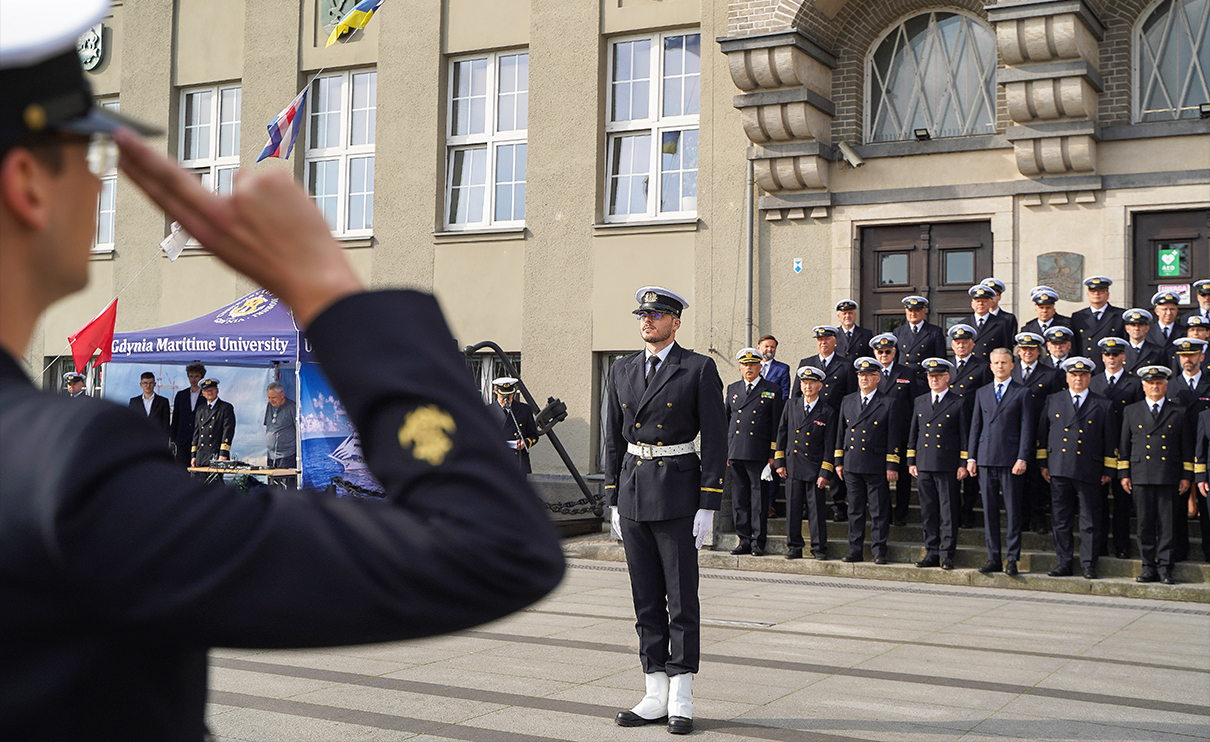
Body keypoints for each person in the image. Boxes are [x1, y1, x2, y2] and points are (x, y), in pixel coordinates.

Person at [0, 3, 564, 737]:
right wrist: (326, 291)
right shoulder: (68, 471)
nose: (102, 188)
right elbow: (496, 547)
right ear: (28, 185)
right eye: (89, 155)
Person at [604, 286, 726, 736]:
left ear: (676, 322)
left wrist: (708, 503)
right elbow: (613, 440)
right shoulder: (622, 368)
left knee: (681, 599)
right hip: (635, 491)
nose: (647, 321)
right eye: (643, 314)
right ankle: (654, 690)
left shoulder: (697, 367)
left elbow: (716, 438)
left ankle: (682, 695)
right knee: (646, 599)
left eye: (657, 315)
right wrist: (613, 498)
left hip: (677, 492)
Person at [1037, 357, 1116, 579]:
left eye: (1083, 375)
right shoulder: (1054, 400)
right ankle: (1064, 562)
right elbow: (1043, 434)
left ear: (1090, 377)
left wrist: (1109, 469)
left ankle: (1089, 564)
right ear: (1067, 377)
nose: (1078, 379)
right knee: (1061, 519)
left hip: (1089, 469)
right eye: (1074, 375)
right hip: (1059, 468)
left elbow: (1110, 439)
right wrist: (1043, 463)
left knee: (1089, 520)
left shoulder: (1103, 404)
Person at [1119, 366, 1193, 585]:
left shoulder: (1179, 411)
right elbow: (1124, 445)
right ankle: (1148, 566)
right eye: (1151, 383)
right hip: (1141, 474)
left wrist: (1186, 475)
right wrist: (1124, 473)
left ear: (1166, 386)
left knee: (1167, 525)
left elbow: (1186, 447)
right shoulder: (1131, 411)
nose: (1155, 387)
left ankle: (1165, 567)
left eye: (1159, 383)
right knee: (1144, 524)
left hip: (1168, 475)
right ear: (1143, 386)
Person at [967, 348, 1034, 576]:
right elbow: (976, 426)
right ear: (990, 366)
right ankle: (993, 557)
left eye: (1004, 363)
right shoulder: (982, 392)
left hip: (1010, 459)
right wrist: (972, 457)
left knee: (1013, 512)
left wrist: (1022, 457)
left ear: (1012, 365)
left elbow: (1027, 428)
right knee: (990, 511)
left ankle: (1012, 559)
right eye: (996, 363)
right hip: (986, 458)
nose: (1000, 367)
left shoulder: (1022, 392)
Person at [835, 357, 907, 565]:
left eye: (868, 375)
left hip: (875, 464)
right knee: (855, 510)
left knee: (878, 510)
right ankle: (855, 549)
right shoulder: (848, 401)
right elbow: (841, 433)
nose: (864, 379)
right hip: (852, 463)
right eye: (860, 375)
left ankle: (878, 550)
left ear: (878, 378)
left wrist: (892, 465)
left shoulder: (888, 402)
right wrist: (839, 461)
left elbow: (893, 436)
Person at [907, 358, 969, 570]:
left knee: (948, 511)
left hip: (947, 464)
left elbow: (964, 436)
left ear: (947, 378)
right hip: (924, 463)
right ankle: (931, 551)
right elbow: (913, 433)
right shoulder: (920, 401)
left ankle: (947, 553)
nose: (934, 379)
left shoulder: (958, 401)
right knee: (928, 511)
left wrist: (963, 463)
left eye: (938, 376)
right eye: (931, 376)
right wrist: (911, 460)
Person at [1090, 337, 1144, 559]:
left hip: (1125, 445)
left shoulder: (1134, 383)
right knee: (1098, 501)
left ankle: (1121, 545)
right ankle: (1100, 544)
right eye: (1107, 355)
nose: (1111, 358)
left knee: (1122, 501)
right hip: (1099, 447)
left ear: (1124, 357)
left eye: (1116, 354)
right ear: (1102, 357)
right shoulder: (1093, 382)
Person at [774, 365, 836, 560]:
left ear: (820, 386)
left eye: (811, 383)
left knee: (816, 510)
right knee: (792, 509)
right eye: (804, 383)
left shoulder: (827, 412)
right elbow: (781, 433)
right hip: (792, 465)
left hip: (815, 467)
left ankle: (819, 548)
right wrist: (780, 461)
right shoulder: (791, 405)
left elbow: (829, 444)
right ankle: (794, 546)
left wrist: (825, 471)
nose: (807, 386)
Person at [725, 348, 783, 557]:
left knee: (758, 500)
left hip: (759, 454)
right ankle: (744, 540)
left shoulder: (772, 390)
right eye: (745, 365)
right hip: (737, 452)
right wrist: (727, 451)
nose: (748, 368)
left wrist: (773, 454)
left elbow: (777, 425)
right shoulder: (733, 389)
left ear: (760, 367)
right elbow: (727, 421)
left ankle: (758, 542)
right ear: (740, 367)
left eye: (753, 365)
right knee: (739, 500)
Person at [795, 325, 856, 521]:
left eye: (827, 339)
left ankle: (838, 504)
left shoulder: (846, 365)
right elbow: (796, 396)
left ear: (835, 341)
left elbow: (851, 396)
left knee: (832, 459)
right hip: (810, 423)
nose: (823, 342)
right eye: (820, 339)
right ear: (816, 342)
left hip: (836, 421)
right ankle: (804, 505)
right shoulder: (807, 363)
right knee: (807, 461)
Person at [1011, 331, 1061, 534]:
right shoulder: (1011, 371)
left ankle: (1038, 518)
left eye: (1032, 349)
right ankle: (1021, 518)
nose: (1027, 353)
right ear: (1018, 352)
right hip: (1014, 433)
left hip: (1040, 432)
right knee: (1017, 481)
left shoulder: (1050, 374)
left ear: (1039, 351)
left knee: (1037, 480)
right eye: (1024, 349)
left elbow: (1056, 404)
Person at [1166, 337, 1210, 562]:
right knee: (1177, 506)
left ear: (1201, 357)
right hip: (1177, 453)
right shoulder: (1169, 385)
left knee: (1207, 505)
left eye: (1192, 355)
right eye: (1184, 356)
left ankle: (1208, 550)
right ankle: (1179, 549)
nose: (1188, 359)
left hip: (1206, 454)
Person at [871, 333, 919, 526]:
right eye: (880, 352)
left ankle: (901, 513)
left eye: (888, 351)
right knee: (880, 477)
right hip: (879, 435)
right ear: (875, 353)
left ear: (894, 352)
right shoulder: (870, 374)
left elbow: (915, 404)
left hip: (901, 433)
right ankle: (883, 513)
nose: (884, 355)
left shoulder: (906, 373)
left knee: (903, 478)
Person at [948, 323, 990, 528]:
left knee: (970, 470)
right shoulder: (945, 366)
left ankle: (967, 510)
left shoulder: (982, 367)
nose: (961, 346)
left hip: (972, 422)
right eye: (957, 342)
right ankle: (953, 511)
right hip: (950, 425)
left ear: (972, 344)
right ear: (952, 345)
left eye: (965, 342)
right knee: (953, 470)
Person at [1070, 276, 1125, 369]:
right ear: (1088, 294)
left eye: (1101, 291)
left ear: (1107, 294)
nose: (1096, 294)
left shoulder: (1120, 315)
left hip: (1109, 368)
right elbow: (1074, 346)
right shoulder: (1078, 317)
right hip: (1085, 368)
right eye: (1093, 291)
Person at [490, 376, 539, 474]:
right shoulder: (488, 411)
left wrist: (524, 442)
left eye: (510, 394)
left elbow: (534, 436)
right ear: (496, 390)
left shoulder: (525, 410)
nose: (506, 398)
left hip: (518, 461)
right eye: (503, 395)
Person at [893, 295, 946, 379]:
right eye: (910, 310)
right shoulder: (898, 332)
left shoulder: (935, 332)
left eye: (917, 310)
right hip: (903, 378)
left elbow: (940, 358)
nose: (913, 314)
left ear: (924, 311)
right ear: (906, 311)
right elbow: (895, 358)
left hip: (923, 379)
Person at [190, 378, 235, 467]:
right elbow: (196, 433)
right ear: (202, 393)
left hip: (216, 454)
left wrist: (223, 453)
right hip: (201, 455)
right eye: (207, 391)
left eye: (212, 390)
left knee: (215, 480)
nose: (210, 393)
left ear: (217, 390)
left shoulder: (225, 407)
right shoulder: (200, 409)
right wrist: (193, 455)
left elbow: (228, 431)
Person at [170, 362, 206, 467]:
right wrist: (173, 440)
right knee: (181, 470)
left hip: (200, 441)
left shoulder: (206, 395)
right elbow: (175, 419)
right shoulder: (181, 395)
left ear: (202, 377)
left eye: (196, 376)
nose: (193, 380)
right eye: (191, 377)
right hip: (182, 440)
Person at [965, 284, 1011, 360]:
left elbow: (1006, 349)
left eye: (984, 301)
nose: (980, 304)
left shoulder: (1001, 323)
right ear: (972, 304)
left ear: (991, 303)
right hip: (971, 367)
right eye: (977, 301)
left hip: (991, 367)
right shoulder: (964, 324)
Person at [128, 371, 170, 445]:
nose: (148, 386)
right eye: (145, 383)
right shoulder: (134, 402)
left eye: (151, 383)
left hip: (157, 441)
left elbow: (165, 425)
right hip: (138, 441)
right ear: (141, 384)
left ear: (155, 384)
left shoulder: (163, 402)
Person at [263, 381, 298, 469]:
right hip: (271, 455)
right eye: (269, 397)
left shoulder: (292, 407)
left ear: (282, 395)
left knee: (285, 482)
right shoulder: (269, 405)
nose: (271, 400)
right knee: (271, 482)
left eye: (274, 397)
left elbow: (299, 430)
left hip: (287, 455)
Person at [1147, 290, 1186, 366]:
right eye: (1164, 309)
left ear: (1177, 311)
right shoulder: (1147, 331)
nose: (1169, 313)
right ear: (1156, 311)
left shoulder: (1184, 332)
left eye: (1172, 309)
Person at [1122, 308, 1164, 374]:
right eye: (1133, 325)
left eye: (1140, 325)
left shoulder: (1158, 351)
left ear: (1147, 328)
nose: (1136, 328)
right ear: (1127, 328)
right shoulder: (1120, 351)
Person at [757, 334, 791, 400]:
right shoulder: (751, 367)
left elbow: (784, 394)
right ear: (759, 348)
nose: (769, 349)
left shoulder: (782, 369)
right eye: (766, 346)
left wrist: (763, 394)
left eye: (772, 347)